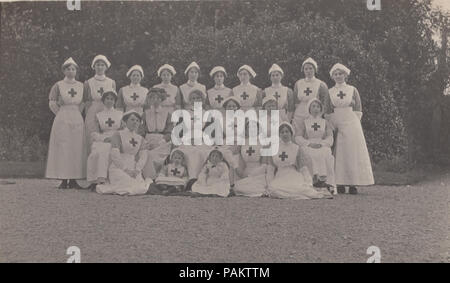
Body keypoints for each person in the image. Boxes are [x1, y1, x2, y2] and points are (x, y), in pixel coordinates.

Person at [328, 63, 374, 194]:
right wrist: (332, 124)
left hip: (351, 121)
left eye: (340, 73)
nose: (338, 76)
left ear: (345, 75)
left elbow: (358, 108)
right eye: (335, 74)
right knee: (339, 153)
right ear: (333, 76)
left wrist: (353, 123)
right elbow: (328, 108)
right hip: (336, 120)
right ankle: (339, 182)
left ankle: (353, 183)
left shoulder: (352, 90)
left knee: (351, 152)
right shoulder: (330, 91)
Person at [46, 57, 86, 189]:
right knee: (63, 148)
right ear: (64, 70)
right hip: (62, 118)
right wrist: (61, 113)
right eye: (68, 69)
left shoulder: (81, 86)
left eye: (73, 69)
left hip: (76, 117)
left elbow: (84, 102)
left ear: (76, 71)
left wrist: (77, 113)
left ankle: (74, 179)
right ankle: (63, 179)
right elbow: (52, 102)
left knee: (76, 148)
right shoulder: (58, 85)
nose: (70, 71)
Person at [266, 122, 332, 199]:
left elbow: (302, 168)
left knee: (299, 189)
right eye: (282, 132)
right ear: (279, 135)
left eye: (287, 132)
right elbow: (271, 168)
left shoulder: (297, 148)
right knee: (274, 189)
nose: (285, 134)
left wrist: (308, 182)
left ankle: (318, 191)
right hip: (280, 176)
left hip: (293, 175)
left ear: (291, 133)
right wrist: (269, 183)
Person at [96, 110, 152, 195]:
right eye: (132, 119)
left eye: (137, 121)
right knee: (127, 183)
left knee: (139, 186)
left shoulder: (140, 138)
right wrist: (125, 169)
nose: (135, 122)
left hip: (133, 168)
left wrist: (137, 170)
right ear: (125, 122)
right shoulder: (118, 135)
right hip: (118, 167)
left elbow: (144, 156)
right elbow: (115, 155)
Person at [294, 99, 336, 193]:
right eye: (313, 106)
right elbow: (298, 137)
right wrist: (309, 144)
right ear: (309, 108)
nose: (316, 109)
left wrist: (322, 144)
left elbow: (330, 137)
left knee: (325, 152)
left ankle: (325, 181)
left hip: (321, 144)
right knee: (308, 152)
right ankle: (313, 180)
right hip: (309, 144)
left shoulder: (325, 122)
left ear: (321, 109)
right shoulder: (304, 122)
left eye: (318, 107)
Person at [86, 91, 123, 189]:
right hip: (103, 138)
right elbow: (94, 132)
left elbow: (123, 130)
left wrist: (115, 138)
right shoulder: (99, 115)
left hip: (116, 139)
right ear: (103, 100)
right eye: (107, 98)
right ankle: (95, 181)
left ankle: (104, 180)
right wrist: (103, 138)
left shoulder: (120, 114)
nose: (109, 101)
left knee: (106, 151)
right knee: (96, 153)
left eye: (112, 99)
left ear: (115, 101)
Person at [84, 55, 116, 153]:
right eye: (98, 65)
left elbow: (113, 99)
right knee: (92, 135)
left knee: (108, 135)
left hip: (107, 110)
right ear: (94, 66)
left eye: (102, 65)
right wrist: (88, 114)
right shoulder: (88, 82)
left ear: (106, 67)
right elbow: (86, 100)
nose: (100, 67)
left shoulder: (111, 82)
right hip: (93, 110)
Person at [141, 88, 173, 180]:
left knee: (156, 155)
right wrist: (145, 142)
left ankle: (160, 176)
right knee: (146, 154)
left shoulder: (167, 114)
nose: (155, 100)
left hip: (162, 141)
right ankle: (150, 177)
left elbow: (170, 131)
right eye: (152, 98)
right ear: (149, 100)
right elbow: (141, 131)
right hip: (148, 140)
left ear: (161, 99)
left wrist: (160, 142)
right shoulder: (145, 114)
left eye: (158, 98)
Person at [292, 57, 330, 133]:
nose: (308, 71)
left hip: (314, 112)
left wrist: (319, 114)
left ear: (315, 70)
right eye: (306, 69)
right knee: (298, 133)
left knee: (312, 132)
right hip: (300, 113)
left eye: (310, 68)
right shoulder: (298, 83)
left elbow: (324, 102)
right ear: (303, 70)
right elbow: (296, 101)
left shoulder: (321, 84)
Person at [234, 120, 268, 197]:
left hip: (259, 172)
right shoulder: (242, 143)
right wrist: (243, 174)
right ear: (246, 130)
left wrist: (252, 175)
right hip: (245, 172)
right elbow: (239, 163)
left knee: (256, 187)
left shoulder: (263, 143)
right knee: (238, 186)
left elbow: (264, 165)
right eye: (249, 127)